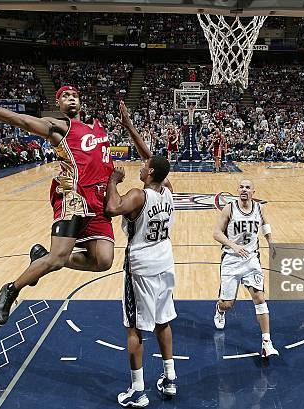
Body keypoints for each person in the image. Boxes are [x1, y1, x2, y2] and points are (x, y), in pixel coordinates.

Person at [0, 69, 116, 325]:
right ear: (58, 105)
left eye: (74, 95)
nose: (71, 98)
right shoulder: (58, 127)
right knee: (59, 257)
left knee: (103, 261)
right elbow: (21, 121)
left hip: (98, 200)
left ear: (81, 101)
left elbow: (100, 161)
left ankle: (42, 259)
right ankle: (12, 289)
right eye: (65, 96)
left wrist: (114, 176)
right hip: (73, 197)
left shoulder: (98, 128)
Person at [106, 101, 177, 408]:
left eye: (144, 166)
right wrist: (129, 126)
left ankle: (138, 391)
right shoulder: (168, 189)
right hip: (165, 262)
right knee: (163, 321)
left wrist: (113, 180)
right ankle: (170, 378)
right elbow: (151, 156)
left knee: (134, 328)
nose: (141, 165)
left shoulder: (138, 195)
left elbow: (111, 208)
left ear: (149, 174)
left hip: (141, 267)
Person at [212, 179, 279, 358]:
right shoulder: (230, 208)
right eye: (241, 187)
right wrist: (232, 245)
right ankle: (219, 309)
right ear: (237, 190)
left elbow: (265, 224)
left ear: (253, 192)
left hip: (251, 260)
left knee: (259, 296)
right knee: (228, 304)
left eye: (247, 187)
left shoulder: (259, 208)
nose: (244, 189)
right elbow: (216, 232)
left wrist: (271, 242)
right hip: (231, 260)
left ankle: (267, 343)